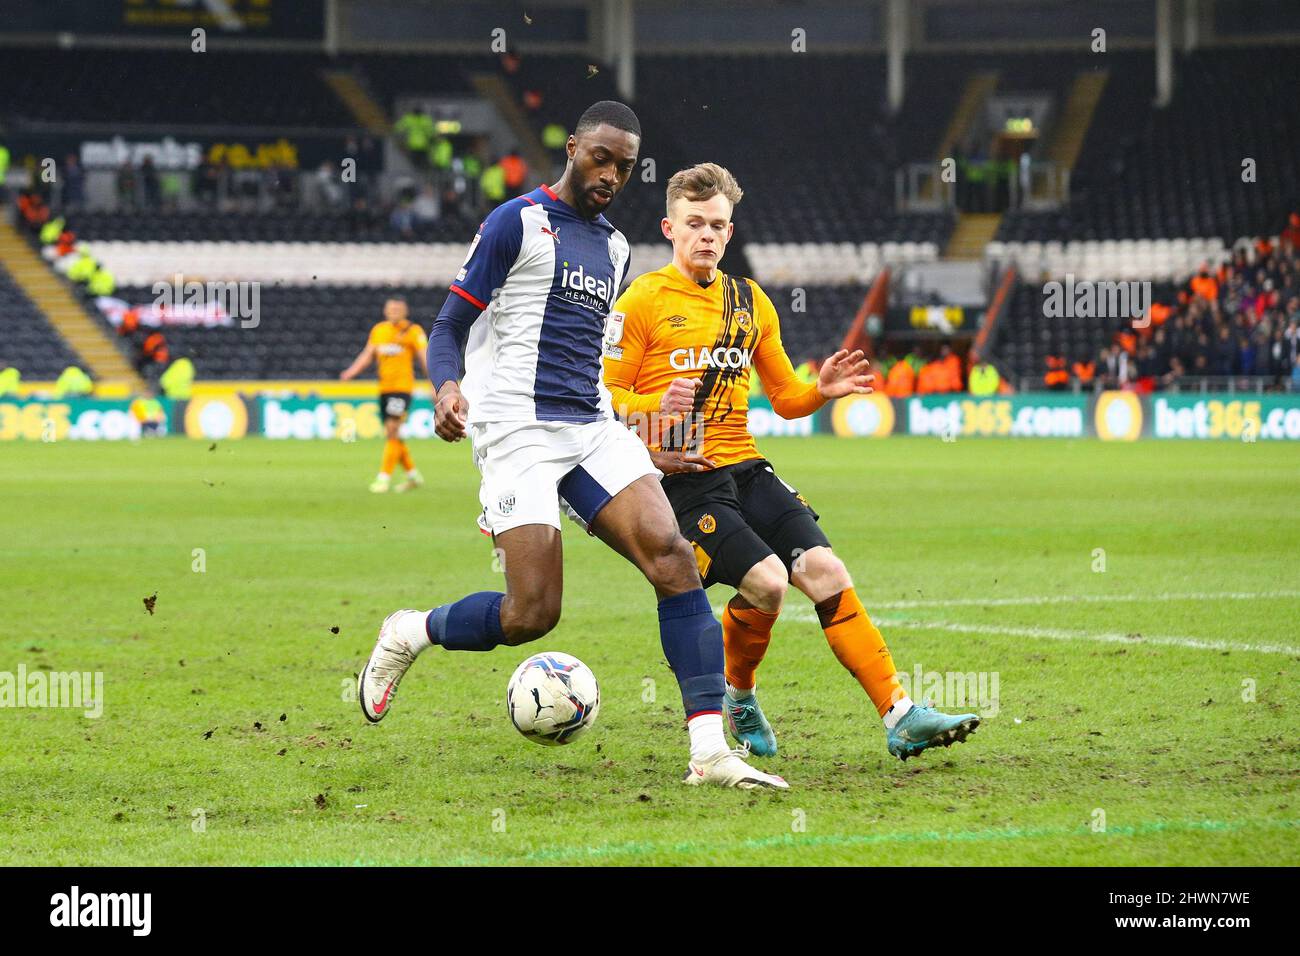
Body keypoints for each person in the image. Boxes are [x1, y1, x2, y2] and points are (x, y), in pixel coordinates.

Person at [357, 102, 786, 790]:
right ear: (573, 148)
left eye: (624, 165)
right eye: (601, 157)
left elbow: (594, 365)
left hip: (589, 427)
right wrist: (444, 390)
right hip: (516, 434)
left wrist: (645, 441)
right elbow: (448, 324)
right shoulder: (514, 223)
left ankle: (707, 749)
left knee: (675, 559)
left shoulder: (615, 248)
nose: (612, 173)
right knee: (532, 613)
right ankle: (411, 630)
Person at [603, 162, 979, 761]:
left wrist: (820, 390)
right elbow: (602, 398)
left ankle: (900, 715)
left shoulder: (750, 302)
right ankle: (740, 692)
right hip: (682, 481)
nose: (706, 234)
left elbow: (785, 398)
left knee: (826, 571)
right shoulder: (641, 301)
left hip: (746, 467)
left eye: (717, 225)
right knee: (771, 583)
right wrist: (653, 404)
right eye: (693, 222)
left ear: (730, 233)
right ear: (668, 227)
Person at [339, 297, 429, 494]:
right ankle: (413, 475)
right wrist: (351, 372)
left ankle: (383, 478)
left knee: (392, 429)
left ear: (405, 311)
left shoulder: (414, 331)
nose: (394, 311)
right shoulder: (379, 330)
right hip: (384, 389)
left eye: (398, 308)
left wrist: (434, 385)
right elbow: (367, 354)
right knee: (392, 434)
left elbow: (425, 359)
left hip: (402, 388)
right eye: (391, 308)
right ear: (385, 311)